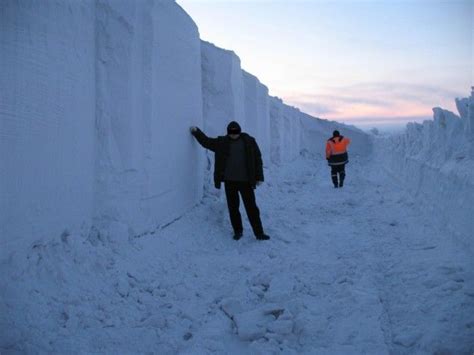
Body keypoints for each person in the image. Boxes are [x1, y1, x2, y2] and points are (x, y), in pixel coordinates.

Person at [190, 121, 270, 241]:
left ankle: (259, 233)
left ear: (239, 131)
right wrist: (196, 132)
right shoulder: (222, 143)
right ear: (228, 132)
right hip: (230, 182)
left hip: (246, 182)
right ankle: (238, 231)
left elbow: (257, 159)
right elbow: (206, 142)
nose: (233, 135)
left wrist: (259, 177)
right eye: (231, 132)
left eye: (235, 132)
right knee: (233, 208)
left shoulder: (249, 141)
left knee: (252, 208)